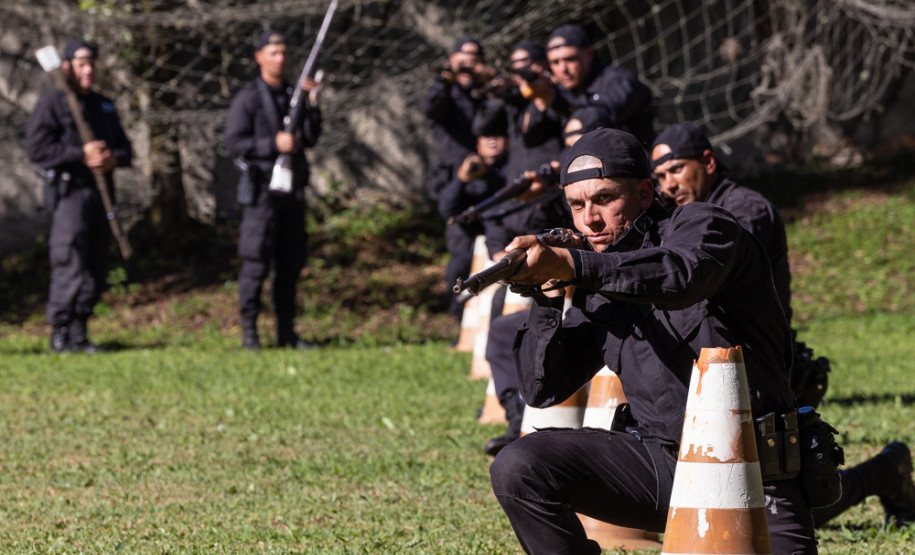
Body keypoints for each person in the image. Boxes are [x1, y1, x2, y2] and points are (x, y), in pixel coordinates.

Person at [489, 128, 822, 554]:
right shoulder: (597, 276)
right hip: (663, 464)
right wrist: (548, 298)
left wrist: (578, 266)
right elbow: (541, 388)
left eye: (605, 199)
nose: (589, 219)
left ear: (646, 193)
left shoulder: (705, 224)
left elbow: (678, 276)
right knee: (520, 465)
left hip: (754, 471)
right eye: (577, 205)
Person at [650, 122, 915, 529]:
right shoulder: (682, 217)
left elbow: (705, 273)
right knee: (735, 503)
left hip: (764, 374)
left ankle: (883, 472)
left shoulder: (744, 210)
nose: (669, 184)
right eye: (661, 176)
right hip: (717, 373)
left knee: (776, 514)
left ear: (707, 161)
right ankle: (883, 472)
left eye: (677, 170)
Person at [26, 39, 133, 354]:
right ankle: (59, 333)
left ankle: (80, 332)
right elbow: (38, 149)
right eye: (82, 63)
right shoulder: (53, 104)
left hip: (102, 194)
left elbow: (126, 148)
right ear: (67, 67)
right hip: (71, 193)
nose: (89, 70)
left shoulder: (103, 105)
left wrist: (111, 158)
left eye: (93, 63)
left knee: (95, 263)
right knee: (69, 260)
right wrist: (80, 154)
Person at [225, 30, 322, 351]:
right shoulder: (248, 98)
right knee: (255, 263)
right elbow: (234, 144)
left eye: (283, 53)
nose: (280, 59)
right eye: (273, 53)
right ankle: (250, 334)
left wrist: (313, 103)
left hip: (291, 192)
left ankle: (287, 333)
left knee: (290, 264)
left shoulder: (295, 93)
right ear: (259, 57)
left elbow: (309, 137)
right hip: (261, 194)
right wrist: (272, 144)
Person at [520, 24, 655, 148]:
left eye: (570, 59)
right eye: (555, 62)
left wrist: (554, 99)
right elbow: (531, 139)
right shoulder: (562, 91)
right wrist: (540, 99)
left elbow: (602, 112)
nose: (563, 69)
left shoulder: (618, 79)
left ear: (589, 54)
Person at [436, 98, 508, 321]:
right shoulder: (467, 168)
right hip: (466, 238)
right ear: (478, 144)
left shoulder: (511, 167)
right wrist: (462, 179)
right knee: (457, 272)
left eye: (498, 136)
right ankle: (460, 323)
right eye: (487, 137)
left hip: (500, 233)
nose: (493, 142)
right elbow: (447, 208)